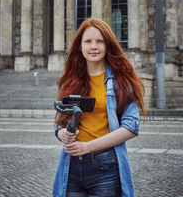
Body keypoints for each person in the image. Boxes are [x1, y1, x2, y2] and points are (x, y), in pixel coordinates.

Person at [53, 18, 146, 197]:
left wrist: (88, 147)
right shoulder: (70, 82)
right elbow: (59, 123)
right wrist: (61, 133)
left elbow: (131, 127)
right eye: (88, 41)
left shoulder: (121, 81)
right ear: (80, 46)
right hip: (71, 166)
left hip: (106, 167)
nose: (93, 46)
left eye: (99, 41)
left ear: (107, 45)